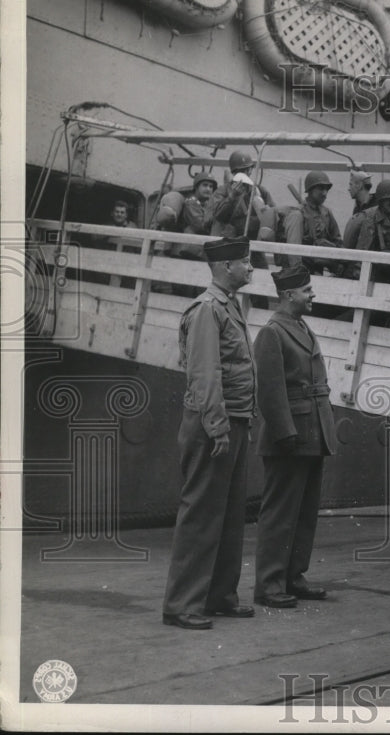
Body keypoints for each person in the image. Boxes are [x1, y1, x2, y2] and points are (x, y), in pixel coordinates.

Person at [162, 236, 257, 630]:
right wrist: (218, 429)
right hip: (210, 424)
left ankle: (219, 595)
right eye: (246, 262)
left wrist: (240, 423)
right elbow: (204, 375)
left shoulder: (231, 306)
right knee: (201, 513)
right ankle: (182, 604)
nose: (251, 268)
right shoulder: (207, 310)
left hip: (233, 421)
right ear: (225, 267)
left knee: (230, 513)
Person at [253, 264, 336, 609]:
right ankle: (269, 584)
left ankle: (293, 576)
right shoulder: (272, 333)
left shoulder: (300, 326)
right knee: (280, 512)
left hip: (312, 432)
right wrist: (286, 434)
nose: (312, 294)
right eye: (307, 290)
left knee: (304, 511)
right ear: (288, 295)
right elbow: (270, 393)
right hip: (290, 437)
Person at [283, 170, 343, 276]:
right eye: (320, 188)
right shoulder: (297, 214)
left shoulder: (326, 213)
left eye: (326, 189)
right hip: (299, 272)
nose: (324, 193)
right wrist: (299, 276)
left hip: (318, 270)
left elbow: (337, 242)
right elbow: (293, 252)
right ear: (310, 190)